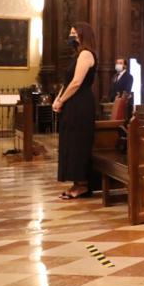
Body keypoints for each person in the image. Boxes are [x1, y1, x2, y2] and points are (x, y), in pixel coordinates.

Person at [53, 22, 97, 200]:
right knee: (70, 142)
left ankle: (83, 185)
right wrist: (58, 98)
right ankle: (76, 183)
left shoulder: (86, 54)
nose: (71, 37)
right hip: (72, 103)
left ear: (83, 35)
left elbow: (77, 82)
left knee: (79, 144)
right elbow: (67, 82)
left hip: (81, 104)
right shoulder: (77, 55)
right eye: (70, 33)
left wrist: (62, 100)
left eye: (74, 34)